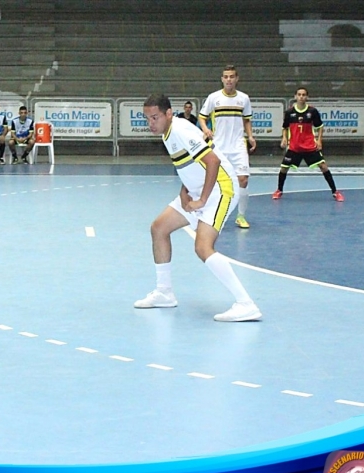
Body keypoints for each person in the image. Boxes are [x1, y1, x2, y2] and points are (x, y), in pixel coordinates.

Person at [135, 94, 261, 322]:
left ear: (169, 114)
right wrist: (185, 193)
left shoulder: (181, 130)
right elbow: (189, 167)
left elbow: (213, 161)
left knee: (203, 247)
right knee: (159, 228)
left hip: (221, 188)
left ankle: (246, 304)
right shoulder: (168, 133)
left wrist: (201, 200)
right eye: (147, 119)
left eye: (155, 117)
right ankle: (164, 293)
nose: (151, 123)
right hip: (198, 189)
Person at [198, 65, 256, 229]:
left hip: (238, 146)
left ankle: (241, 216)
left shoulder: (244, 98)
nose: (229, 79)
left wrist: (250, 136)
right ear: (222, 79)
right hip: (219, 147)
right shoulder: (213, 98)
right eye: (226, 77)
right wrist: (205, 129)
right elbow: (202, 117)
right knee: (214, 181)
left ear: (237, 79)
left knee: (243, 180)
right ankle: (208, 215)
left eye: (232, 76)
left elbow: (247, 120)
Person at [273, 87, 344, 202]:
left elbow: (320, 127)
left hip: (309, 146)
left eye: (304, 95)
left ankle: (335, 192)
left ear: (307, 97)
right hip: (294, 147)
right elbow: (285, 127)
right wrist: (284, 138)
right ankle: (279, 190)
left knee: (323, 167)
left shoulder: (312, 111)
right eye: (299, 94)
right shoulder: (289, 112)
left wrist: (319, 140)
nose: (301, 97)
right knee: (283, 169)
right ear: (295, 96)